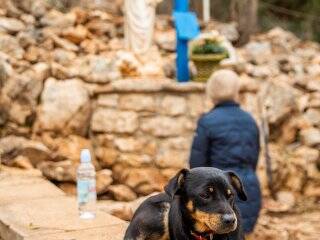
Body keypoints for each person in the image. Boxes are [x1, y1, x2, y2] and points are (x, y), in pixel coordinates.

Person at [189, 69, 261, 234]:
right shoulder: (250, 120)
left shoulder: (207, 122)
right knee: (243, 233)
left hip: (218, 199)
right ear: (236, 91)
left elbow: (197, 167)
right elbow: (254, 157)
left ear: (211, 93)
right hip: (249, 191)